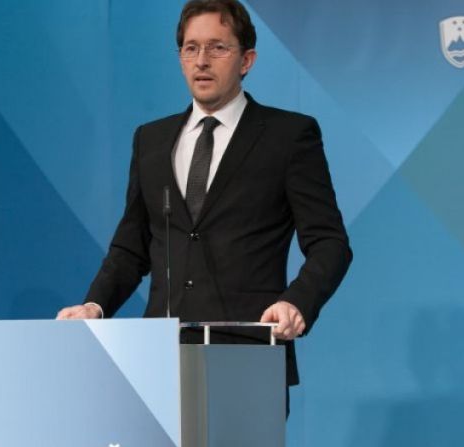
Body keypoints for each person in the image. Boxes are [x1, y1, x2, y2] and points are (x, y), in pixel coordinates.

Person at [58, 0, 352, 388]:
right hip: (159, 359)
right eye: (191, 48)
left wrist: (295, 302)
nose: (201, 61)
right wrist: (95, 305)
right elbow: (131, 247)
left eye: (217, 47)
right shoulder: (151, 140)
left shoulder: (288, 137)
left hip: (249, 354)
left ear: (246, 60)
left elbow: (330, 243)